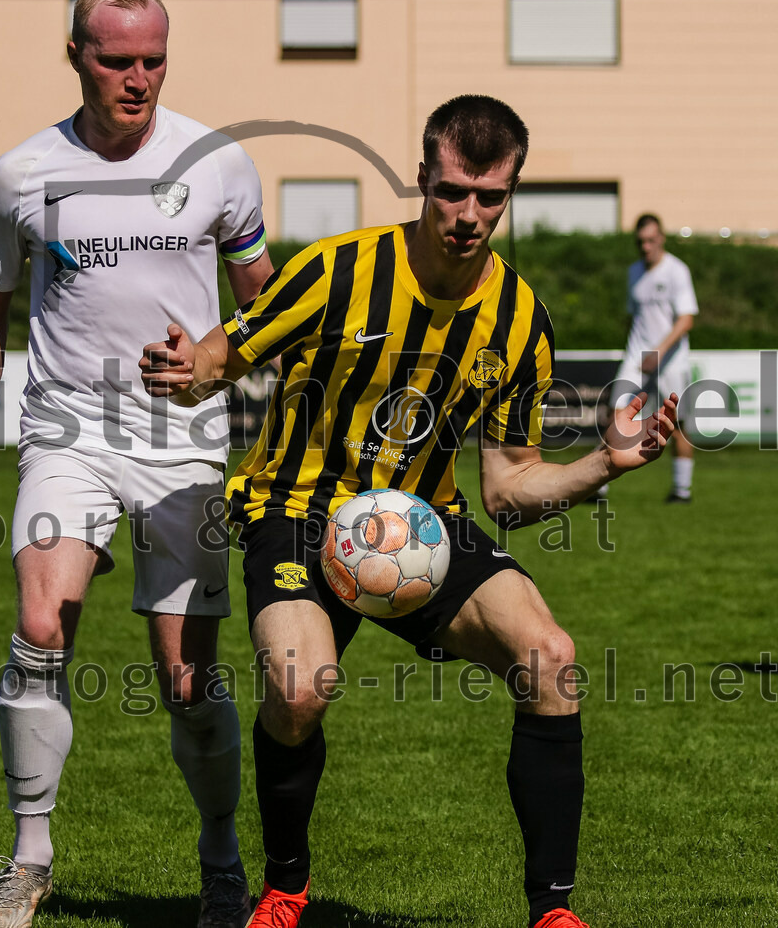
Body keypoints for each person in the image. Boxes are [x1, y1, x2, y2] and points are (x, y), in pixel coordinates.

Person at [141, 95, 678, 928]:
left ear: (511, 194)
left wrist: (604, 465)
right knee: (299, 687)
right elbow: (224, 353)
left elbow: (508, 487)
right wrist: (188, 368)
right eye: (453, 191)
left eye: (489, 197)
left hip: (422, 524)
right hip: (297, 509)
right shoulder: (338, 269)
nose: (468, 215)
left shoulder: (521, 319)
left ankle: (553, 911)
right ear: (422, 178)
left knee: (551, 659)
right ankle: (284, 889)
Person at [0, 0, 273, 928]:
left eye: (154, 59)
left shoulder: (219, 163)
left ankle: (221, 858)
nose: (139, 78)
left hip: (184, 441)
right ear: (74, 55)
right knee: (40, 628)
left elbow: (267, 308)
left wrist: (214, 368)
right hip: (67, 429)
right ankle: (29, 859)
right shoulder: (21, 173)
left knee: (188, 683)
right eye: (117, 59)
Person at [612, 213, 698, 502]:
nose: (646, 246)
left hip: (670, 359)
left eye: (651, 240)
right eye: (641, 241)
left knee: (680, 424)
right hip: (637, 356)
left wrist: (658, 353)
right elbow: (634, 317)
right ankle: (598, 486)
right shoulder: (634, 272)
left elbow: (686, 320)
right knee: (613, 411)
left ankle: (681, 490)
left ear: (661, 238)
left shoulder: (677, 271)